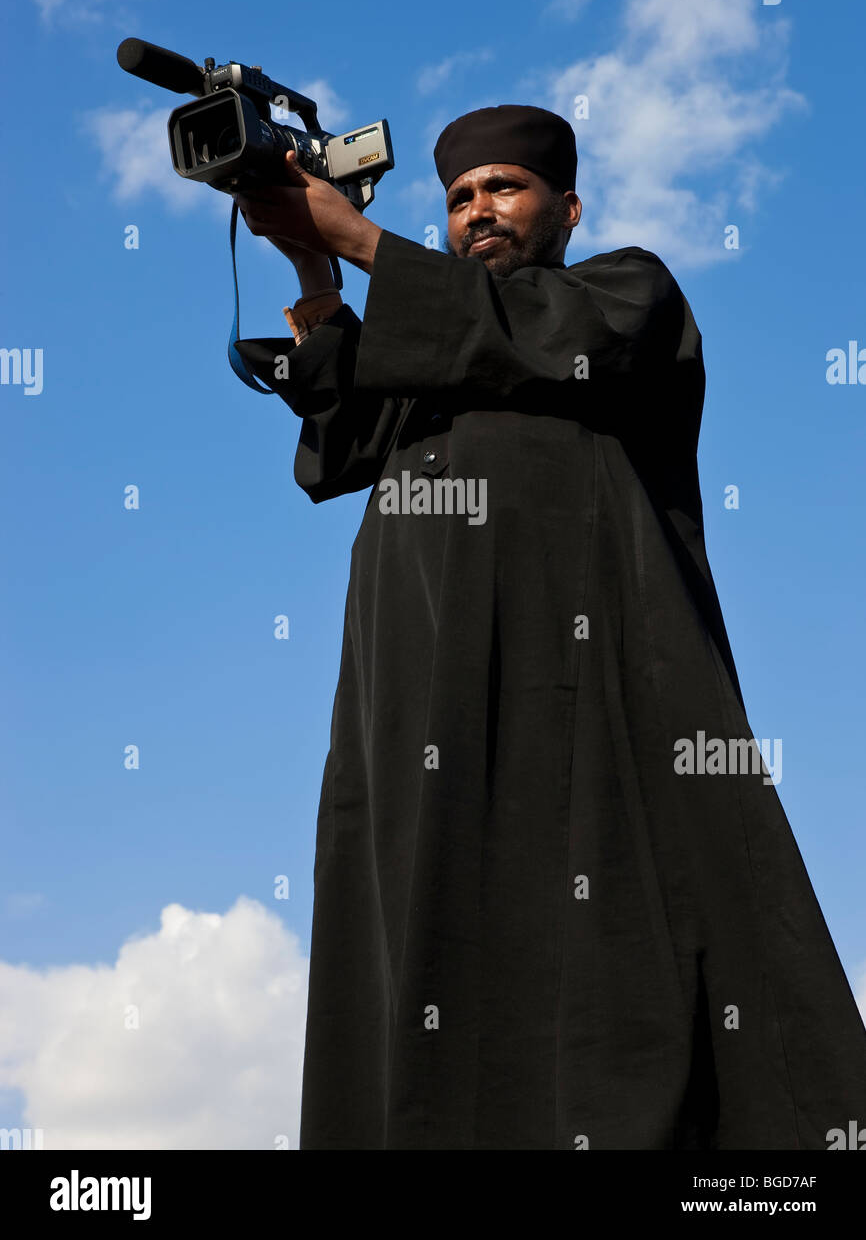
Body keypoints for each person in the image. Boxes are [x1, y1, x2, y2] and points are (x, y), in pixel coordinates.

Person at [234, 104, 866, 1150]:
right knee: (425, 930)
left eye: (502, 187)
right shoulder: (432, 339)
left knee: (617, 932)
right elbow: (334, 453)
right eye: (455, 199)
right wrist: (315, 275)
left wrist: (355, 235)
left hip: (582, 676)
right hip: (420, 694)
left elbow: (519, 337)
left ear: (565, 208)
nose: (476, 209)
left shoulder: (623, 294)